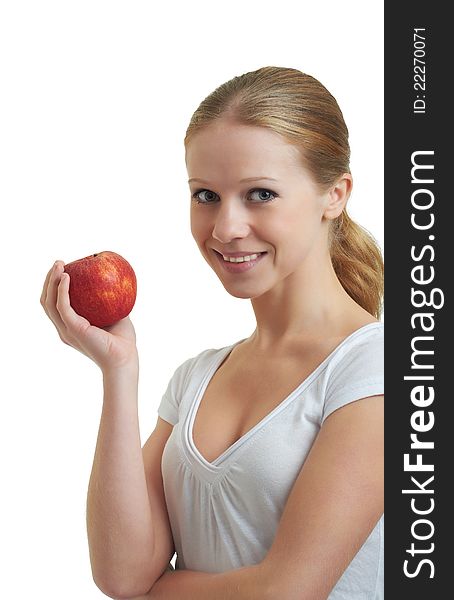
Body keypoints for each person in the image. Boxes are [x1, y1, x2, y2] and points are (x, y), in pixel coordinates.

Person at [40, 66, 384, 599]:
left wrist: (160, 591)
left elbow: (287, 593)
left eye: (261, 194)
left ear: (334, 195)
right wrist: (118, 371)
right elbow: (121, 575)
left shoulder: (376, 368)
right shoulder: (196, 378)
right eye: (205, 195)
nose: (225, 228)